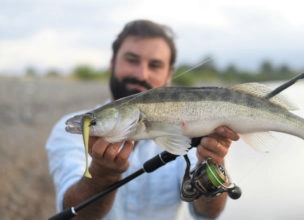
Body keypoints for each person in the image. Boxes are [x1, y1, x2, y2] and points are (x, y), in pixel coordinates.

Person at [46, 19, 239, 219]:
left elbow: (209, 213)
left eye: (155, 65)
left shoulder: (190, 126)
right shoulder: (65, 130)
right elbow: (75, 215)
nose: (141, 74)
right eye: (132, 60)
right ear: (112, 63)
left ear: (168, 75)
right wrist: (102, 176)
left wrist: (213, 164)